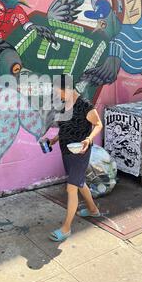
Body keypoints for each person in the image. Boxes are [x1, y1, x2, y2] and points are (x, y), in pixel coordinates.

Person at [48, 76, 103, 242]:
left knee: (71, 188)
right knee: (79, 183)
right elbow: (65, 128)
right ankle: (94, 210)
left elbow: (99, 124)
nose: (59, 96)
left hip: (80, 152)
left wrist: (89, 139)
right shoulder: (65, 106)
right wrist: (55, 139)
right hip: (65, 151)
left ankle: (66, 228)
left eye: (60, 92)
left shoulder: (85, 105)